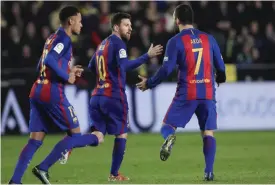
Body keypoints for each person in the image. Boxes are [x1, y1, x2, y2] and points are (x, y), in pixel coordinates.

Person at [60, 12, 163, 181]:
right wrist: (147, 56)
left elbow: (92, 66)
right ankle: (114, 174)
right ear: (116, 27)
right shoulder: (118, 43)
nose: (130, 28)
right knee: (121, 134)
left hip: (97, 96)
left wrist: (91, 72)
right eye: (126, 25)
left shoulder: (102, 44)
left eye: (130, 25)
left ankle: (71, 143)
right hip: (114, 96)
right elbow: (125, 66)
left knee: (98, 137)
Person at [9, 6, 100, 184]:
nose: (81, 25)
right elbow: (50, 60)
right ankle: (44, 167)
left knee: (35, 140)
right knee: (75, 135)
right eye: (79, 21)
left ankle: (15, 181)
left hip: (37, 89)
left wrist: (67, 70)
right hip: (51, 92)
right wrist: (67, 76)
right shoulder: (64, 39)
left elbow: (41, 65)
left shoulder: (52, 37)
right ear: (70, 21)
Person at [136, 4, 226, 181]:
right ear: (192, 19)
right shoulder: (209, 38)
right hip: (208, 92)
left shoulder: (175, 41)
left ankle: (169, 138)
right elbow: (221, 67)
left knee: (166, 127)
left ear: (176, 20)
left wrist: (150, 83)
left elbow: (166, 69)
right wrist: (220, 79)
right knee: (208, 132)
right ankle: (208, 172)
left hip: (187, 92)